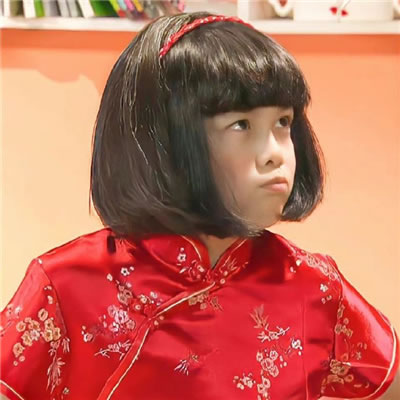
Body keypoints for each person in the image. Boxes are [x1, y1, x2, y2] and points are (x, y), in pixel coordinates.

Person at [0, 11, 399, 400]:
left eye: (283, 122)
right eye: (241, 125)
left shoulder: (314, 285)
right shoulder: (65, 284)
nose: (276, 154)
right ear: (165, 143)